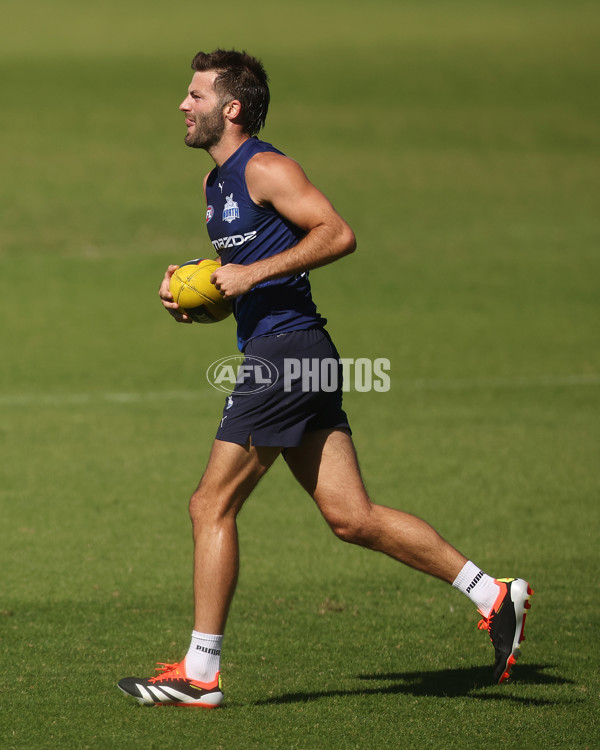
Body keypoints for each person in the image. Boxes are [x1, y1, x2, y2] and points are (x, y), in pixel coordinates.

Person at [117, 50, 533, 708]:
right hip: (294, 349)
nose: (183, 105)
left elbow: (337, 232)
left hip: (285, 355)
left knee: (210, 505)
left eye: (195, 95)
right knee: (352, 517)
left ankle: (200, 675)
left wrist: (249, 278)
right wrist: (204, 300)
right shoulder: (213, 186)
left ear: (231, 108)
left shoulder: (266, 167)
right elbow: (245, 279)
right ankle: (493, 593)